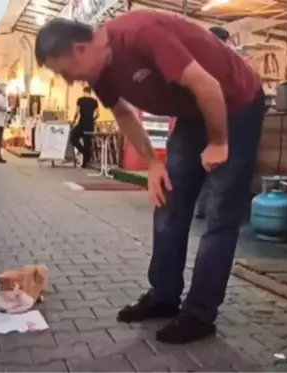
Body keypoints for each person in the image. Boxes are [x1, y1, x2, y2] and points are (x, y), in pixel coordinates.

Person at [35, 11, 265, 345]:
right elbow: (124, 114)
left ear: (80, 50)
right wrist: (152, 165)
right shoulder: (100, 72)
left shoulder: (142, 33)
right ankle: (164, 295)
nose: (69, 82)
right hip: (193, 112)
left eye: (65, 72)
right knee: (169, 200)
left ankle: (199, 315)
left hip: (235, 103)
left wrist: (218, 142)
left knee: (220, 213)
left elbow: (208, 85)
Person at [196, 26, 232, 219]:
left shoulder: (199, 58)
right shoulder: (219, 60)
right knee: (214, 167)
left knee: (203, 165)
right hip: (213, 120)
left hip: (198, 118)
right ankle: (210, 210)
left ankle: (202, 208)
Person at [70, 86, 99, 168]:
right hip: (90, 125)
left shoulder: (80, 100)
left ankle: (82, 150)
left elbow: (77, 112)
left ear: (84, 91)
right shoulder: (95, 101)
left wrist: (73, 121)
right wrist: (92, 120)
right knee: (87, 143)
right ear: (90, 92)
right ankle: (84, 164)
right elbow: (98, 114)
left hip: (82, 124)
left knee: (73, 136)